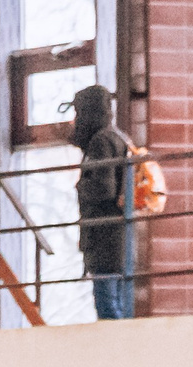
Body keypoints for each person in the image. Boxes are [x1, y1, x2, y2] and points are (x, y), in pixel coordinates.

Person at [69, 85, 135, 321]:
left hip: (104, 235)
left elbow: (103, 188)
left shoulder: (101, 142)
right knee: (119, 300)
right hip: (118, 234)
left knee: (108, 304)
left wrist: (79, 186)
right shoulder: (117, 137)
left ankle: (118, 351)